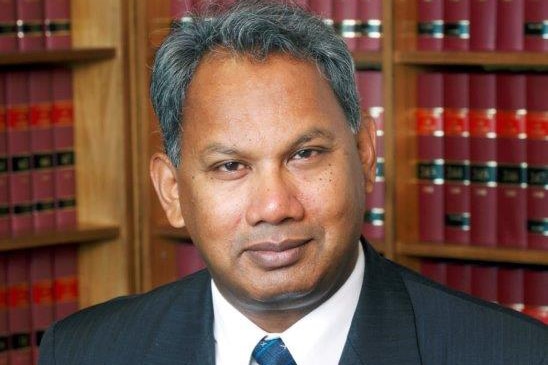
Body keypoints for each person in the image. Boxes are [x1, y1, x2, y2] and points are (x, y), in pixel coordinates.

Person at [39, 1, 547, 364]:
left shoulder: (512, 354)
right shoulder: (84, 352)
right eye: (230, 167)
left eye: (305, 154)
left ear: (366, 154)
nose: (275, 207)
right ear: (172, 191)